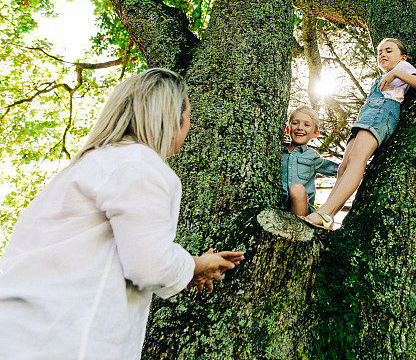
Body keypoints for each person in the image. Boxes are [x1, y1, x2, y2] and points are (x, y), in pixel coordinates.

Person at [0, 68, 244, 359]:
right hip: (62, 340)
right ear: (172, 119)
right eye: (189, 116)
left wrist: (188, 269)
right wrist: (196, 264)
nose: (189, 126)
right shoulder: (138, 165)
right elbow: (150, 266)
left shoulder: (86, 167)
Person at [304, 38, 416, 229]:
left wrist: (397, 72)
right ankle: (327, 217)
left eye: (389, 51)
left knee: (357, 159)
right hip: (366, 117)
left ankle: (325, 213)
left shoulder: (403, 67)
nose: (383, 54)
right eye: (380, 52)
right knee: (343, 168)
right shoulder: (383, 76)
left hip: (382, 113)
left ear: (402, 57)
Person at [282, 106, 340, 216]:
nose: (300, 127)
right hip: (278, 205)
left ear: (315, 134)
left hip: (302, 208)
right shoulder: (277, 151)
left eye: (306, 125)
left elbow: (338, 170)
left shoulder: (312, 156)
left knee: (297, 189)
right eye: (295, 123)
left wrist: (360, 170)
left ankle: (300, 227)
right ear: (288, 129)